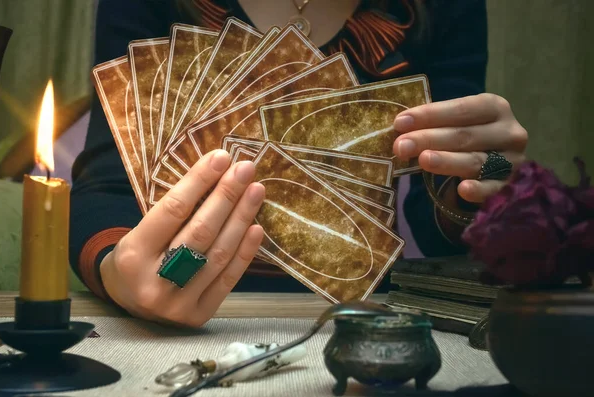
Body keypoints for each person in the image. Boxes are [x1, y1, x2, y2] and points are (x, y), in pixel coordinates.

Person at [69, 0, 528, 327]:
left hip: (358, 322)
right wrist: (117, 268)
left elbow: (438, 217)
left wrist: (482, 186)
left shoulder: (444, 8)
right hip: (168, 320)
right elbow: (107, 184)